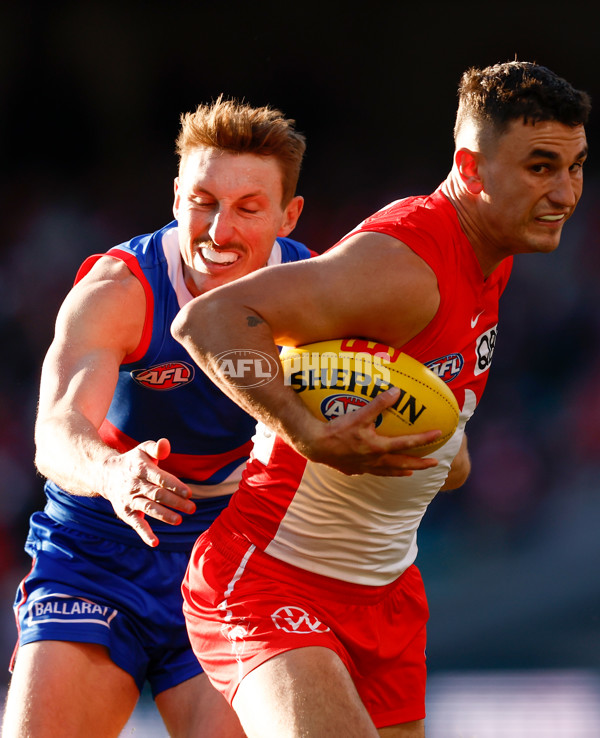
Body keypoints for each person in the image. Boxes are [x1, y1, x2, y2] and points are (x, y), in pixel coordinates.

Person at [171, 61, 590, 738]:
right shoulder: (406, 263)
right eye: (541, 166)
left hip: (386, 596)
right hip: (274, 581)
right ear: (472, 169)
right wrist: (303, 428)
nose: (567, 192)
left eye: (575, 166)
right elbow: (211, 320)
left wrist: (447, 449)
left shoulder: (496, 250)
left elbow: (424, 391)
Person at [2, 97, 312, 738]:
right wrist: (115, 474)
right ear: (176, 198)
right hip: (99, 546)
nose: (219, 231)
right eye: (203, 201)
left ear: (288, 215)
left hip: (231, 556)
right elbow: (54, 436)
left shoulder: (314, 297)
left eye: (249, 208)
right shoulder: (122, 288)